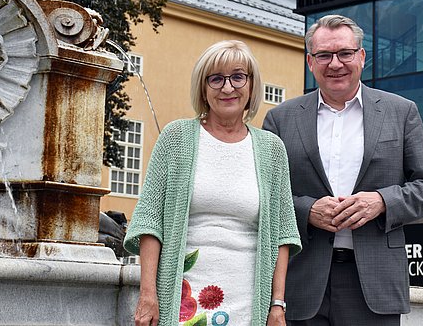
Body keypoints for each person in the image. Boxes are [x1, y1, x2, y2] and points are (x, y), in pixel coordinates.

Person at [263, 15, 423, 325]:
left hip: (375, 284)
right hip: (302, 280)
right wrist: (307, 210)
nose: (335, 63)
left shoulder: (401, 112)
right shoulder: (281, 119)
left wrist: (381, 202)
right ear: (310, 62)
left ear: (361, 57)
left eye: (344, 53)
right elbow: (265, 196)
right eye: (324, 55)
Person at [124, 40, 301, 326]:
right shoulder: (176, 138)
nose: (228, 88)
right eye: (216, 78)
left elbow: (283, 235)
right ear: (203, 88)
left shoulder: (272, 149)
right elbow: (149, 222)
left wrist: (277, 305)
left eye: (238, 77)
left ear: (252, 85)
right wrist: (148, 295)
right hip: (184, 295)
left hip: (249, 298)